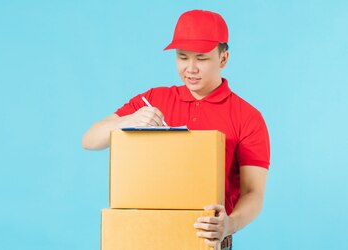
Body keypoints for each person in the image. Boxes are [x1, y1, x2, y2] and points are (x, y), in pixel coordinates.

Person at [82, 10, 270, 249]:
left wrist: (228, 225)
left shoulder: (248, 117)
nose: (190, 68)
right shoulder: (153, 99)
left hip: (207, 239)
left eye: (201, 59)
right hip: (144, 235)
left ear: (223, 59)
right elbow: (89, 139)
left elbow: (254, 193)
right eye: (182, 57)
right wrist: (127, 120)